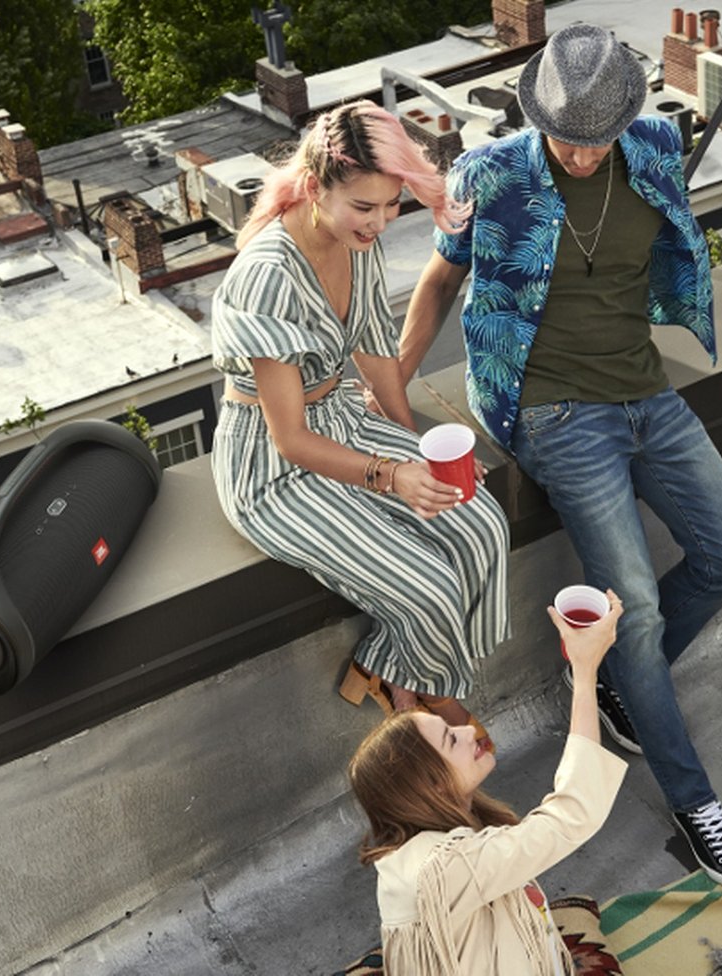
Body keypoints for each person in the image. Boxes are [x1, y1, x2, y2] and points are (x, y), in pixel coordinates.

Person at [400, 23, 722, 887]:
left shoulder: (655, 148)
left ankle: (620, 686)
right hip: (553, 410)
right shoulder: (489, 174)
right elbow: (441, 279)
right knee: (632, 611)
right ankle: (695, 804)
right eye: (567, 137)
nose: (582, 154)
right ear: (538, 116)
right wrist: (392, 388)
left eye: (597, 139)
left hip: (646, 392)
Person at [210, 100, 511, 744]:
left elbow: (377, 356)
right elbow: (291, 440)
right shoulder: (267, 276)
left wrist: (418, 449)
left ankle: (389, 666)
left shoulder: (354, 242)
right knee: (428, 585)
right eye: (364, 206)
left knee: (481, 522)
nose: (379, 222)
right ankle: (431, 701)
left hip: (346, 423)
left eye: (392, 204)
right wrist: (395, 475)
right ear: (316, 188)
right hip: (273, 468)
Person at [349, 590, 627, 974]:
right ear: (431, 785)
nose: (467, 730)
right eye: (450, 739)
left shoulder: (436, 847)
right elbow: (574, 814)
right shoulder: (443, 870)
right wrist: (585, 671)